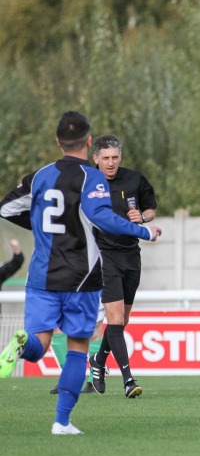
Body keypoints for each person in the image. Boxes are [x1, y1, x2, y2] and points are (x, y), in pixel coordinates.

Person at [0, 111, 161, 435]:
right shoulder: (92, 178)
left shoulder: (40, 176)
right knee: (77, 347)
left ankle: (21, 343)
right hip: (82, 278)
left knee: (39, 344)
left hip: (42, 276)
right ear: (89, 143)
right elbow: (103, 218)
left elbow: (6, 208)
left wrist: (42, 227)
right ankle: (62, 422)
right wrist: (144, 232)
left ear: (58, 142)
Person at [87, 134, 158, 398]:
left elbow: (151, 209)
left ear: (120, 157)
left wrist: (142, 216)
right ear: (96, 158)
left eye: (115, 157)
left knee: (122, 320)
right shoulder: (87, 183)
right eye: (105, 158)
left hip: (131, 255)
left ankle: (99, 361)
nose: (110, 162)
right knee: (114, 318)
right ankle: (128, 380)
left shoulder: (135, 179)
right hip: (103, 257)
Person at [49, 303, 105, 395]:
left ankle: (94, 381)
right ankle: (68, 377)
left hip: (92, 289)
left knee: (95, 328)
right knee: (57, 325)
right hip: (61, 289)